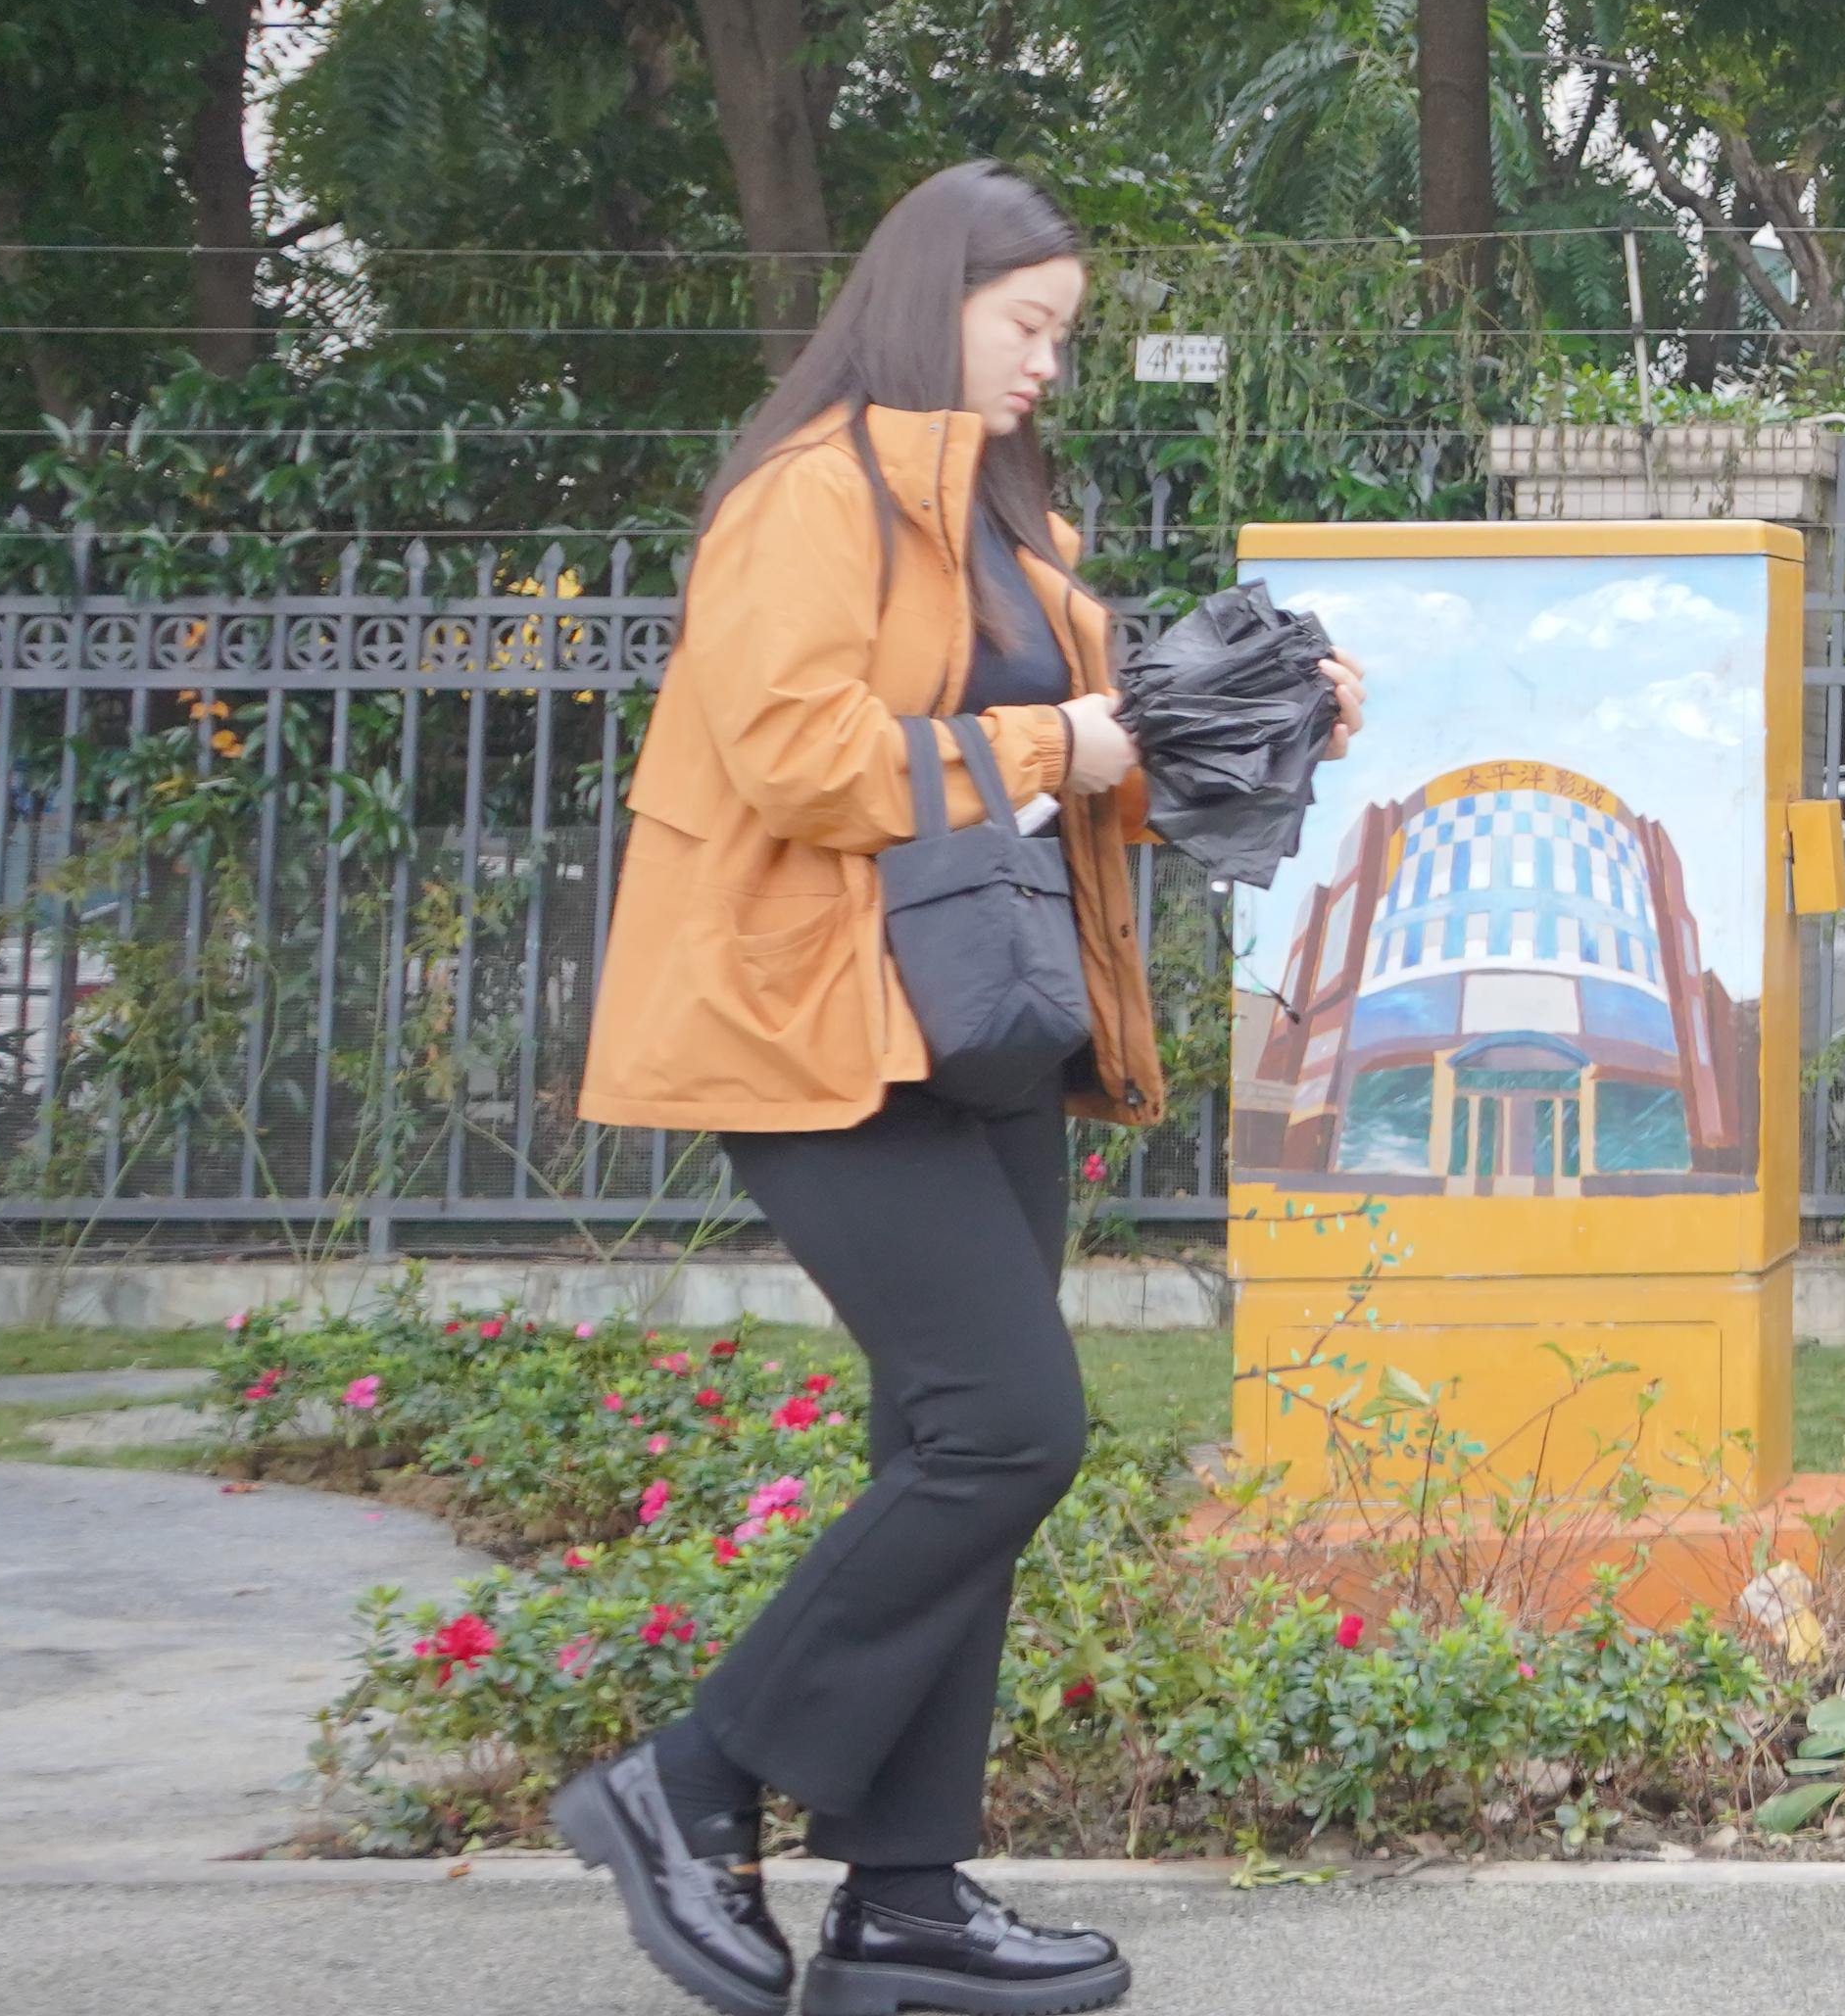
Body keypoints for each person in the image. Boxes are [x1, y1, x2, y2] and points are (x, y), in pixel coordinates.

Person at [553, 163, 1355, 2016]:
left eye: (1062, 333)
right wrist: (1049, 737)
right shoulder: (809, 497)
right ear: (936, 302)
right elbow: (801, 757)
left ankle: (905, 1903)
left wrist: (1274, 713)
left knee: (945, 1457)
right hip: (819, 1031)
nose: (1048, 363)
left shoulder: (1002, 524)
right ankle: (690, 1783)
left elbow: (1089, 776)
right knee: (1010, 1430)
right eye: (1028, 325)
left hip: (983, 1029)